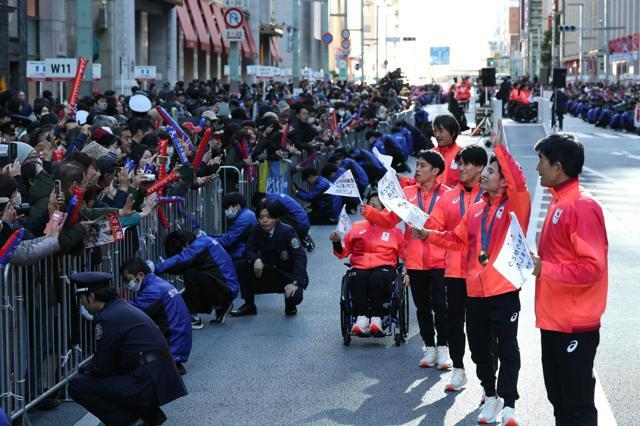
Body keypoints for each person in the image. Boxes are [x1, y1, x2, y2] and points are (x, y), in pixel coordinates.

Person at [418, 122, 530, 424]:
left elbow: (518, 181)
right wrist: (428, 235)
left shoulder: (516, 206)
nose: (485, 176)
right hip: (474, 290)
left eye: (491, 172)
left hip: (504, 290)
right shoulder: (478, 208)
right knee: (480, 350)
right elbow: (455, 238)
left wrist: (498, 147)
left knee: (507, 346)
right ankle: (489, 395)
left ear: (503, 181)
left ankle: (509, 403)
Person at [532, 133, 608, 426]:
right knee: (561, 401)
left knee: (576, 405)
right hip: (554, 319)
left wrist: (544, 269)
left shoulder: (581, 206)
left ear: (558, 167)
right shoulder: (560, 201)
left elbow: (592, 268)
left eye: (541, 161)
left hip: (573, 323)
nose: (537, 167)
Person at [362, 150, 452, 370]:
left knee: (441, 306)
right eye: (417, 165)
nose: (417, 169)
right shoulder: (407, 193)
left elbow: (453, 228)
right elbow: (389, 220)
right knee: (421, 307)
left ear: (435, 171)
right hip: (415, 261)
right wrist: (369, 213)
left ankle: (443, 349)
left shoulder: (449, 195)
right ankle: (429, 347)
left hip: (442, 260)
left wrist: (429, 228)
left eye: (422, 166)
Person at [68, 272, 187, 426]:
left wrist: (84, 370)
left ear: (91, 297)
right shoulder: (120, 307)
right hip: (158, 377)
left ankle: (129, 421)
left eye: (82, 299)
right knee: (112, 375)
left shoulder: (107, 317)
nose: (82, 304)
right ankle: (150, 415)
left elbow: (102, 365)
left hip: (146, 382)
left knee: (78, 385)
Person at [426, 144, 488, 392]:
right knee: (454, 322)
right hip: (453, 270)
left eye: (466, 164)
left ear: (480, 167)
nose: (460, 168)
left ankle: (488, 382)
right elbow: (436, 226)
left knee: (483, 328)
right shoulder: (448, 197)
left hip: (483, 272)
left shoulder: (489, 194)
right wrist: (422, 226)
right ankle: (459, 370)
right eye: (459, 163)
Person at [330, 193, 405, 335]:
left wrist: (406, 272)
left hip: (385, 266)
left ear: (384, 209)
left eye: (376, 205)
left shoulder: (394, 230)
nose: (372, 207)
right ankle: (362, 319)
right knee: (358, 276)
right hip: (360, 266)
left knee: (376, 277)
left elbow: (404, 254)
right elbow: (343, 252)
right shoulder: (356, 227)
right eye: (370, 204)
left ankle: (376, 319)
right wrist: (336, 242)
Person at [231, 201, 308, 317]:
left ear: (276, 218)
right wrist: (256, 259)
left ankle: (290, 304)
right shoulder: (256, 230)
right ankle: (249, 305)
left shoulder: (287, 231)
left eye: (269, 217)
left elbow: (300, 257)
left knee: (294, 297)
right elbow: (248, 249)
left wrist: (295, 282)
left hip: (286, 273)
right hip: (268, 271)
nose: (265, 221)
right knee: (241, 264)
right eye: (261, 217)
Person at [120, 257, 192, 376]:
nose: (127, 284)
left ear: (141, 275)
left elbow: (132, 311)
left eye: (128, 280)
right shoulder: (156, 282)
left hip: (173, 342)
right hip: (178, 339)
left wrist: (107, 305)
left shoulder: (153, 291)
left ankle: (167, 361)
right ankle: (170, 362)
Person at [155, 231, 238, 329]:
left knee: (190, 274)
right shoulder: (203, 241)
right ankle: (222, 305)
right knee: (185, 290)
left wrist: (156, 268)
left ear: (184, 245)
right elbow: (181, 264)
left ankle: (194, 317)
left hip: (225, 289)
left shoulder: (200, 245)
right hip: (226, 288)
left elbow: (182, 259)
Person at [216, 192, 258, 261]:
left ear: (238, 206)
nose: (226, 211)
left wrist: (211, 241)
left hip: (242, 255)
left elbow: (228, 239)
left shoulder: (245, 217)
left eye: (228, 208)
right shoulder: (245, 214)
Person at [432, 114, 462, 188]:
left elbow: (472, 183)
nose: (437, 135)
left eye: (440, 131)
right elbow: (418, 181)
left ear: (453, 132)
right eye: (435, 131)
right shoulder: (430, 154)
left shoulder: (462, 155)